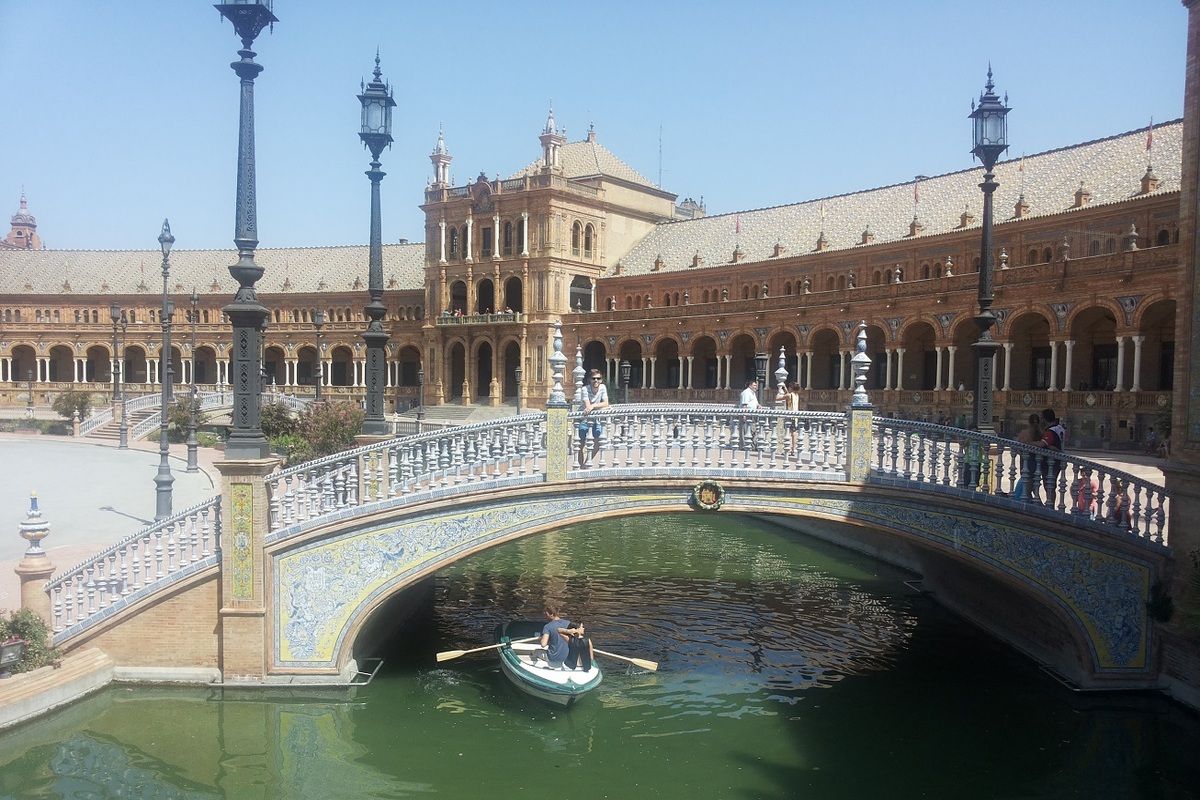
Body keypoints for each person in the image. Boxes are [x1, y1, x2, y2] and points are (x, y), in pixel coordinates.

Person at [576, 369, 609, 468]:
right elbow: (587, 407)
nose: (596, 380)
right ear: (589, 380)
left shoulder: (603, 387)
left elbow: (605, 403)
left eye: (598, 378)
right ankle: (581, 467)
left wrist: (594, 406)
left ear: (601, 380)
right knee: (580, 445)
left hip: (595, 420)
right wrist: (601, 407)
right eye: (593, 378)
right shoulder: (584, 389)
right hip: (583, 419)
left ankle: (586, 463)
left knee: (598, 443)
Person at [1038, 408, 1065, 505]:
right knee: (1051, 484)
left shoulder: (1050, 431)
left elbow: (1042, 444)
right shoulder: (1060, 428)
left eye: (1042, 418)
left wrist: (1027, 443)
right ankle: (1050, 503)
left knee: (1049, 485)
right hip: (1058, 461)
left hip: (1050, 462)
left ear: (1045, 419)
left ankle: (1050, 504)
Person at [1013, 413, 1042, 501]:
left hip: (1025, 460)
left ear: (1029, 422)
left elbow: (1016, 447)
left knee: (1026, 482)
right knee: (1033, 484)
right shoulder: (1041, 434)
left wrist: (1022, 455)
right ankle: (1036, 501)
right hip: (1036, 461)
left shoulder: (1024, 433)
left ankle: (1027, 501)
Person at [538, 605, 572, 669]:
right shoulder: (568, 623)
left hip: (553, 657)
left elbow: (543, 644)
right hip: (567, 657)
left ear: (552, 614)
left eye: (546, 614)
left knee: (535, 652)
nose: (545, 616)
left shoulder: (547, 627)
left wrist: (541, 638)